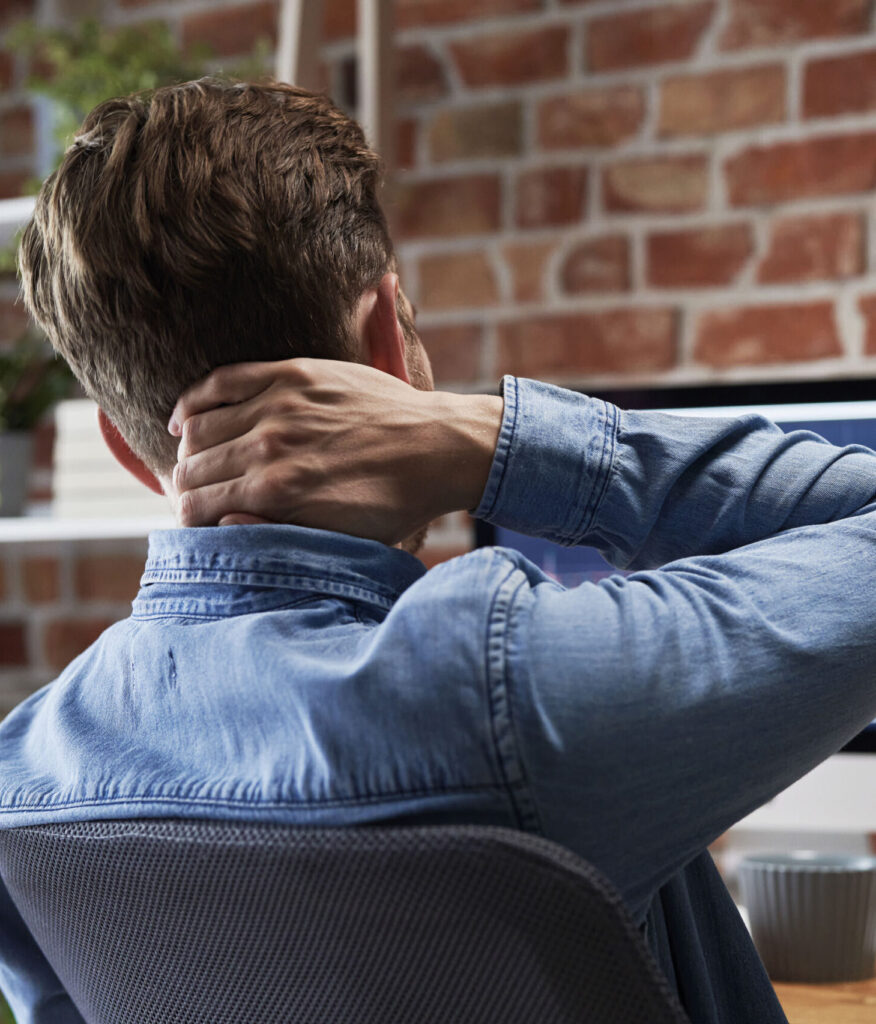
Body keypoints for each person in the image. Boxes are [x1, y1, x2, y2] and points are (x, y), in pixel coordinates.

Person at [1, 76, 875, 1024]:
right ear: (388, 342)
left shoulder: (25, 776)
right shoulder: (502, 687)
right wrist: (487, 440)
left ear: (129, 452)